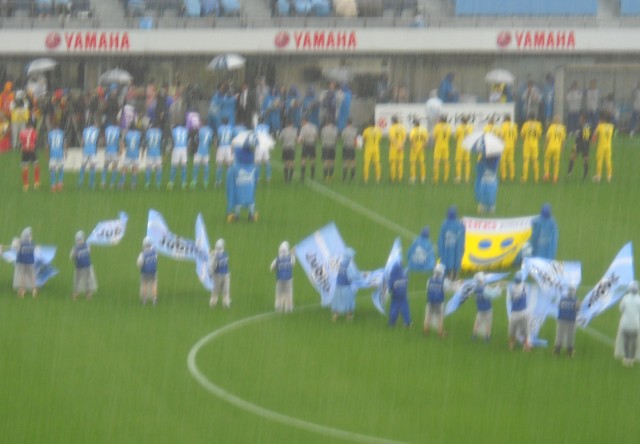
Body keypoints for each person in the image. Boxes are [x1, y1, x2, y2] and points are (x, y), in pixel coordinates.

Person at [614, 281, 640, 367]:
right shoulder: (639, 299)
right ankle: (632, 358)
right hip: (635, 324)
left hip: (625, 323)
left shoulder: (625, 298)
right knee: (634, 341)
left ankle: (626, 357)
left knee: (626, 341)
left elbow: (621, 309)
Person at [472, 272, 502, 342]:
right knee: (488, 323)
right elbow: (493, 294)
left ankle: (474, 336)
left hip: (480, 309)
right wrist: (498, 287)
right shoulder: (485, 288)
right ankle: (487, 337)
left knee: (477, 322)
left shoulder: (475, 288)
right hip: (488, 308)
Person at [438, 206, 465, 281]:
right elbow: (461, 237)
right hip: (456, 247)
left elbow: (441, 239)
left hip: (447, 247)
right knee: (456, 258)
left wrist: (440, 249)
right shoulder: (459, 225)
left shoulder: (444, 224)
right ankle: (455, 275)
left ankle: (448, 275)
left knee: (447, 259)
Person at [332, 248, 359, 322]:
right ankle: (349, 316)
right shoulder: (349, 265)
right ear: (350, 257)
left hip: (338, 286)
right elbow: (352, 276)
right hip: (345, 287)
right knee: (348, 301)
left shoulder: (341, 264)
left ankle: (335, 316)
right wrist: (360, 277)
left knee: (338, 301)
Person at [70, 231, 97, 300]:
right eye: (78, 240)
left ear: (83, 239)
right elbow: (71, 256)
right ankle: (76, 292)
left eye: (81, 239)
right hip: (79, 267)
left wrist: (87, 247)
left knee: (87, 280)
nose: (80, 241)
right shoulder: (75, 248)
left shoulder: (87, 245)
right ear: (76, 240)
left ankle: (88, 292)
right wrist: (74, 255)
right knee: (77, 280)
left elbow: (89, 251)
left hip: (87, 266)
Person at [554, 285, 580, 357]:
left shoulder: (562, 299)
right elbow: (578, 308)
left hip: (561, 318)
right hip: (571, 320)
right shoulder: (576, 300)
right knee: (570, 335)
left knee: (559, 334)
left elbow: (558, 306)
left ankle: (557, 349)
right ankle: (569, 350)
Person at [507, 272, 530, 351]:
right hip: (519, 312)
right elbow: (510, 299)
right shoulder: (522, 287)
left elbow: (510, 299)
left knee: (518, 329)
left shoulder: (517, 287)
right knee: (518, 329)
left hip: (519, 312)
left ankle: (520, 343)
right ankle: (520, 343)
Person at [270, 241, 295, 313]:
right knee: (289, 292)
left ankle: (278, 306)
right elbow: (293, 264)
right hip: (288, 279)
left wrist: (277, 268)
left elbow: (271, 268)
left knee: (279, 293)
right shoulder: (290, 258)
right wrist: (293, 255)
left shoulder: (277, 259)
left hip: (280, 279)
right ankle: (289, 307)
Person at [474, 146, 499, 214]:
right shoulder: (496, 156)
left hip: (487, 178)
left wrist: (482, 159)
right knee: (490, 194)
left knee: (485, 193)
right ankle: (490, 207)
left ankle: (485, 206)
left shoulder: (488, 157)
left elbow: (481, 167)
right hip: (491, 179)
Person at [567, 113, 591, 180]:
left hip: (584, 144)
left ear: (584, 119)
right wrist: (573, 134)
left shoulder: (587, 126)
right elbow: (577, 132)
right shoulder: (579, 125)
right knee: (572, 157)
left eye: (581, 118)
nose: (579, 119)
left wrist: (577, 134)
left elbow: (586, 137)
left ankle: (585, 175)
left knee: (585, 159)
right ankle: (569, 173)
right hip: (577, 143)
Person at [14, 227, 37, 298]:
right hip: (30, 262)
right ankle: (34, 290)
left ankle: (22, 290)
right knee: (31, 275)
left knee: (21, 275)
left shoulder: (20, 243)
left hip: (21, 262)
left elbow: (15, 248)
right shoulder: (32, 243)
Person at [591, 113, 614, 183]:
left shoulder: (600, 126)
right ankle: (609, 176)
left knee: (599, 160)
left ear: (602, 120)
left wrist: (593, 142)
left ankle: (598, 176)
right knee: (608, 160)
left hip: (601, 146)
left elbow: (594, 135)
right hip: (608, 146)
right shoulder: (611, 126)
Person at [424, 263, 446, 337]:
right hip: (439, 302)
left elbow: (427, 289)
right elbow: (445, 289)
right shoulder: (443, 281)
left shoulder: (429, 280)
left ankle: (426, 330)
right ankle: (440, 332)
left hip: (430, 301)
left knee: (428, 315)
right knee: (439, 317)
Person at [520, 113, 542, 184]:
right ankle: (536, 178)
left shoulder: (526, 124)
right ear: (535, 118)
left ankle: (525, 178)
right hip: (535, 144)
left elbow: (522, 134)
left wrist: (525, 139)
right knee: (535, 160)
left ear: (529, 118)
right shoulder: (538, 124)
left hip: (527, 144)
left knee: (526, 160)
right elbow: (539, 134)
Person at [543, 116, 566, 184]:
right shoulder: (562, 128)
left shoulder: (551, 127)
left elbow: (547, 138)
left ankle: (547, 174)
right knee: (556, 162)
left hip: (550, 146)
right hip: (558, 147)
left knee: (547, 160)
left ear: (554, 121)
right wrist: (562, 148)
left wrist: (545, 146)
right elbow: (563, 140)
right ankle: (555, 177)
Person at [118, 124, 142, 190]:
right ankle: (133, 185)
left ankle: (121, 183)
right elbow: (140, 143)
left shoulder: (127, 134)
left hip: (128, 154)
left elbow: (123, 143)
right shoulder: (138, 134)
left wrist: (121, 150)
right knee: (135, 170)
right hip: (136, 154)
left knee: (124, 169)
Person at [388, 261, 411, 328]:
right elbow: (406, 282)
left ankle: (392, 322)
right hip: (404, 296)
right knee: (405, 310)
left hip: (395, 297)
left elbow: (389, 287)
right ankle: (407, 323)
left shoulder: (393, 277)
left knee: (394, 310)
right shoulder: (404, 275)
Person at [19, 119, 40, 191]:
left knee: (25, 167)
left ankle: (26, 185)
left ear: (26, 125)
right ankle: (36, 183)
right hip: (32, 150)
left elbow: (21, 141)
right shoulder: (34, 131)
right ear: (32, 125)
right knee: (36, 165)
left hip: (24, 150)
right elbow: (36, 140)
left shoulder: (22, 132)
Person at [191, 123, 214, 189]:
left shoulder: (199, 130)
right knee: (206, 167)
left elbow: (196, 139)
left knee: (196, 167)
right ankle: (206, 182)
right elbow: (211, 141)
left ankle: (194, 181)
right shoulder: (210, 130)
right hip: (206, 152)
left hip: (199, 151)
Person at [209, 239, 230, 308]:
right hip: (219, 275)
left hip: (225, 274)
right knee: (216, 289)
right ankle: (213, 302)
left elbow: (212, 265)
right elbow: (213, 266)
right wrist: (211, 272)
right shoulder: (216, 256)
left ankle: (225, 302)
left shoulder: (223, 254)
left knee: (225, 289)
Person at [137, 237, 158, 305]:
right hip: (153, 271)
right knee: (153, 284)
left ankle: (144, 299)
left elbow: (139, 263)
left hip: (145, 272)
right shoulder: (155, 252)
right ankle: (154, 298)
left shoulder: (143, 254)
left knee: (144, 284)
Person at [168, 123, 189, 190]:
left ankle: (171, 183)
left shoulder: (174, 130)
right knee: (184, 167)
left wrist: (170, 150)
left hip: (176, 148)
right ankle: (183, 183)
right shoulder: (186, 130)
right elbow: (188, 140)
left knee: (174, 166)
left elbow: (172, 141)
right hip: (184, 149)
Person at [214, 117, 234, 187]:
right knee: (229, 165)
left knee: (219, 165)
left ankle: (217, 181)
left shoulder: (219, 129)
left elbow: (216, 139)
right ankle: (229, 181)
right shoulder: (231, 128)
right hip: (228, 147)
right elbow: (232, 139)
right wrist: (232, 149)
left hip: (221, 147)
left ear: (222, 122)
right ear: (228, 122)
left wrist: (215, 149)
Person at [79, 123, 100, 189]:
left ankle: (80, 182)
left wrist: (82, 148)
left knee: (83, 167)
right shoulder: (97, 130)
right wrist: (97, 149)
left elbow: (82, 141)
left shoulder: (85, 130)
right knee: (93, 167)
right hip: (93, 151)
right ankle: (91, 184)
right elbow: (98, 141)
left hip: (85, 150)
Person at [47, 121, 66, 192]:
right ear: (58, 126)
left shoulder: (50, 134)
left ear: (53, 126)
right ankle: (60, 184)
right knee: (61, 169)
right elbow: (64, 143)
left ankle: (53, 185)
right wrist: (65, 152)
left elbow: (48, 145)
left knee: (52, 170)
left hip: (53, 154)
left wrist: (47, 154)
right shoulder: (62, 133)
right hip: (60, 153)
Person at [298, 116, 318, 181]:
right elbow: (316, 137)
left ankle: (302, 175)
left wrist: (299, 142)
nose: (301, 123)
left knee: (303, 160)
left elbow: (301, 139)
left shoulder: (303, 128)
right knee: (312, 160)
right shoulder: (314, 127)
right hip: (312, 144)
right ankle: (312, 175)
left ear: (305, 121)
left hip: (306, 144)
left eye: (301, 121)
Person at [454, 115, 473, 184]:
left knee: (459, 161)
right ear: (467, 121)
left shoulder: (459, 128)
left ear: (461, 121)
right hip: (467, 145)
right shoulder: (470, 127)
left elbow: (456, 137)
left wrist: (456, 143)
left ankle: (458, 177)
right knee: (467, 161)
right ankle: (467, 177)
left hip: (460, 145)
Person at [144, 122, 163, 189]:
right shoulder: (159, 132)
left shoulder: (148, 132)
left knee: (148, 168)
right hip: (157, 152)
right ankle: (158, 183)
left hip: (150, 152)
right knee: (159, 168)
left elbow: (146, 141)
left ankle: (147, 183)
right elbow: (161, 141)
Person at [432, 115, 452, 184]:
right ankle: (446, 178)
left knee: (436, 162)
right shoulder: (448, 127)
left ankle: (436, 178)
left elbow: (435, 136)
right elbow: (449, 136)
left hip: (438, 146)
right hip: (446, 146)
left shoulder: (437, 126)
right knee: (446, 162)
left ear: (440, 120)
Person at [102, 123, 121, 189]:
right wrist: (120, 150)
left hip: (108, 151)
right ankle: (112, 184)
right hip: (115, 152)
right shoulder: (118, 130)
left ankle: (103, 182)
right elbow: (120, 140)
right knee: (114, 168)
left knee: (105, 167)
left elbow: (104, 139)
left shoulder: (107, 129)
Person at [362, 118, 381, 184]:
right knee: (377, 163)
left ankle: (366, 178)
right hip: (376, 148)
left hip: (368, 148)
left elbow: (364, 139)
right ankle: (378, 177)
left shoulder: (366, 130)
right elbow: (379, 139)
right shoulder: (378, 130)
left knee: (367, 163)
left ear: (369, 124)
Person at [388, 115, 407, 183]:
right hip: (401, 146)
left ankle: (393, 178)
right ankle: (400, 177)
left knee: (393, 163)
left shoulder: (392, 128)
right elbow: (404, 137)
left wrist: (396, 145)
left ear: (393, 121)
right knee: (400, 162)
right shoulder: (402, 127)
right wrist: (401, 145)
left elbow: (391, 138)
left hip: (393, 147)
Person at [278, 119, 298, 183]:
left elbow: (280, 139)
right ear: (292, 124)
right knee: (292, 163)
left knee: (286, 162)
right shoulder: (295, 130)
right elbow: (296, 139)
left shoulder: (283, 130)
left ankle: (286, 178)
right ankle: (290, 178)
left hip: (285, 148)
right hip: (292, 148)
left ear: (287, 124)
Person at [409, 119, 428, 184]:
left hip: (414, 149)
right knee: (422, 163)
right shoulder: (423, 130)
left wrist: (413, 145)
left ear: (414, 124)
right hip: (421, 148)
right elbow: (426, 140)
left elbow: (411, 139)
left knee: (413, 163)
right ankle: (423, 177)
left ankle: (413, 177)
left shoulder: (413, 130)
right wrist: (423, 146)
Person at [499, 114, 518, 182]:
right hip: (511, 145)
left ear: (505, 119)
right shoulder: (514, 126)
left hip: (504, 145)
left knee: (503, 161)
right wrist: (515, 144)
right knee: (511, 161)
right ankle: (512, 176)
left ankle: (503, 176)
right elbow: (516, 137)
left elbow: (501, 136)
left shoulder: (503, 125)